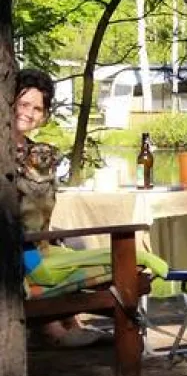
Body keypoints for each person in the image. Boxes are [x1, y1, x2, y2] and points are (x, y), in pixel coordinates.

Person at [14, 68, 110, 349]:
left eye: (37, 108)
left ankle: (72, 324)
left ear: (44, 115)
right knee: (37, 259)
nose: (29, 113)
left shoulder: (37, 152)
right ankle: (54, 331)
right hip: (14, 241)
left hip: (34, 238)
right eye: (23, 104)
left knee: (73, 243)